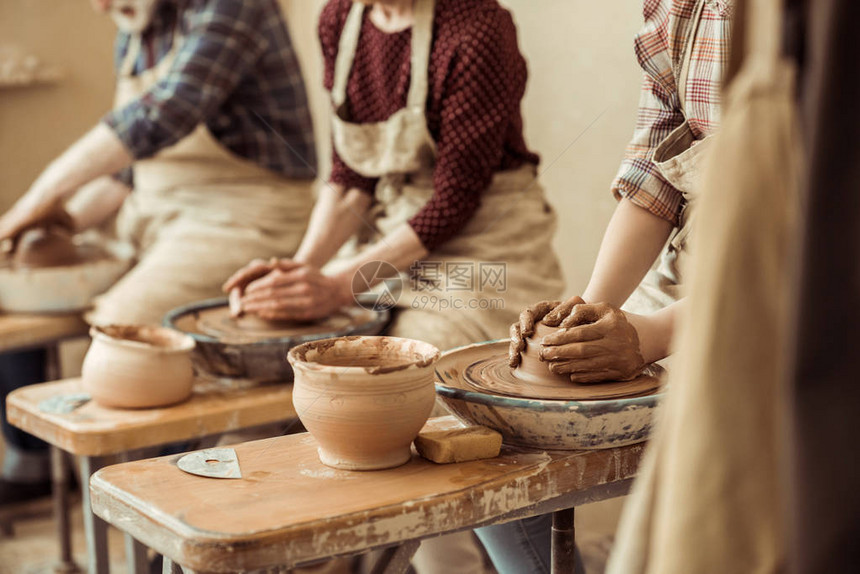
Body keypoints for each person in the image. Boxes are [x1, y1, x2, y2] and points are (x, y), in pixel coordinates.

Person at [224, 0, 564, 571]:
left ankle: (448, 560)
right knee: (303, 350)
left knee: (408, 391)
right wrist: (302, 274)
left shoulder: (478, 27)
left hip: (486, 248)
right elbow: (350, 177)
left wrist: (338, 285)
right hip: (390, 237)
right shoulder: (340, 20)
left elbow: (454, 202)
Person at [0, 0, 317, 506]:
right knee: (13, 288)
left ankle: (170, 510)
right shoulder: (138, 21)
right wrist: (55, 225)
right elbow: (130, 169)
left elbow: (161, 114)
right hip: (152, 215)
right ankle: (31, 459)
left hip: (243, 214)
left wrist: (35, 200)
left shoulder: (234, 6)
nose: (101, 7)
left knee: (121, 332)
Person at [476, 0, 734, 572]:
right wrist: (591, 308)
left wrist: (657, 334)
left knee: (707, 466)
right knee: (503, 428)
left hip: (806, 282)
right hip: (700, 251)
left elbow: (823, 224)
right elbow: (657, 170)